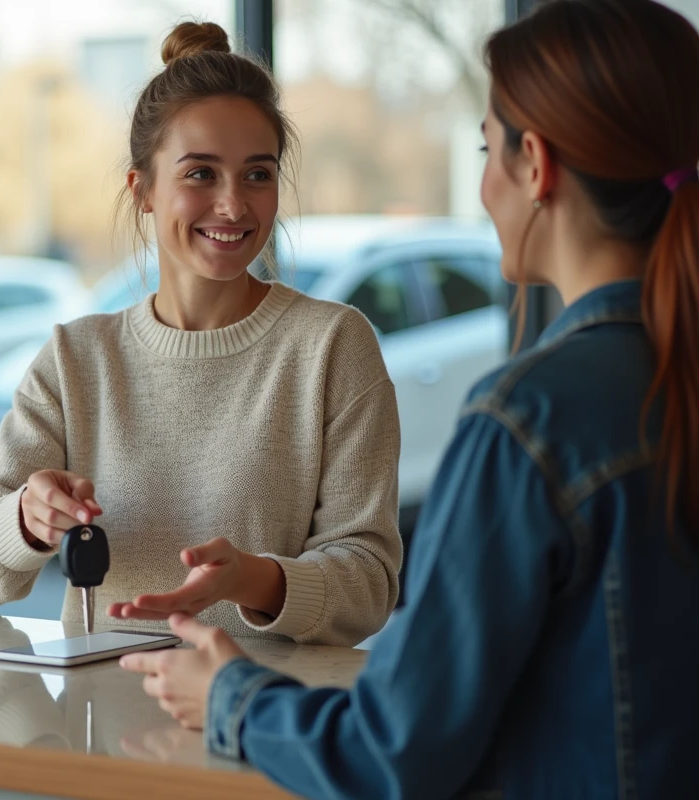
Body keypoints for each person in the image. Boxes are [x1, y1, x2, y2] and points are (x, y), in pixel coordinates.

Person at [121, 1, 699, 797]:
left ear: (535, 164)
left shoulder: (531, 422)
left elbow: (395, 752)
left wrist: (231, 697)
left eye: (484, 149)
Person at [0, 21, 402, 645]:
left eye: (257, 175)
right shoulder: (77, 359)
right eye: (200, 174)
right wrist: (24, 518)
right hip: (101, 723)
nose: (234, 205)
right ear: (144, 190)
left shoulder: (333, 346)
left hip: (258, 720)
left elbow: (370, 584)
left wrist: (253, 580)